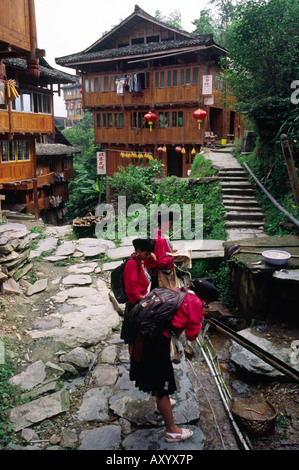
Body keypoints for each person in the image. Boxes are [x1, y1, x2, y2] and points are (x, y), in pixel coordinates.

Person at [129, 278, 220, 443]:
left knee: (157, 377)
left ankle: (160, 405)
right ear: (205, 300)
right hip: (157, 341)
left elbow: (180, 312)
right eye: (207, 303)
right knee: (163, 385)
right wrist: (199, 315)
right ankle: (171, 431)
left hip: (145, 336)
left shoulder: (180, 291)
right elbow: (192, 335)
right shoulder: (196, 303)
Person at [120, 237, 156, 353]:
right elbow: (131, 290)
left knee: (140, 337)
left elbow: (150, 264)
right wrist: (144, 299)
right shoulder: (132, 263)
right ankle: (133, 362)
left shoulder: (140, 259)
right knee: (134, 337)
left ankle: (138, 360)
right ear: (139, 250)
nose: (149, 255)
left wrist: (151, 257)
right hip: (135, 305)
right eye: (147, 252)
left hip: (141, 302)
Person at [145, 210, 180, 290]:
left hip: (159, 275)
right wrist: (172, 257)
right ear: (165, 223)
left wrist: (172, 252)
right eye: (171, 223)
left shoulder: (160, 234)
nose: (172, 226)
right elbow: (160, 263)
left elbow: (162, 253)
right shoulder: (160, 239)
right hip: (161, 277)